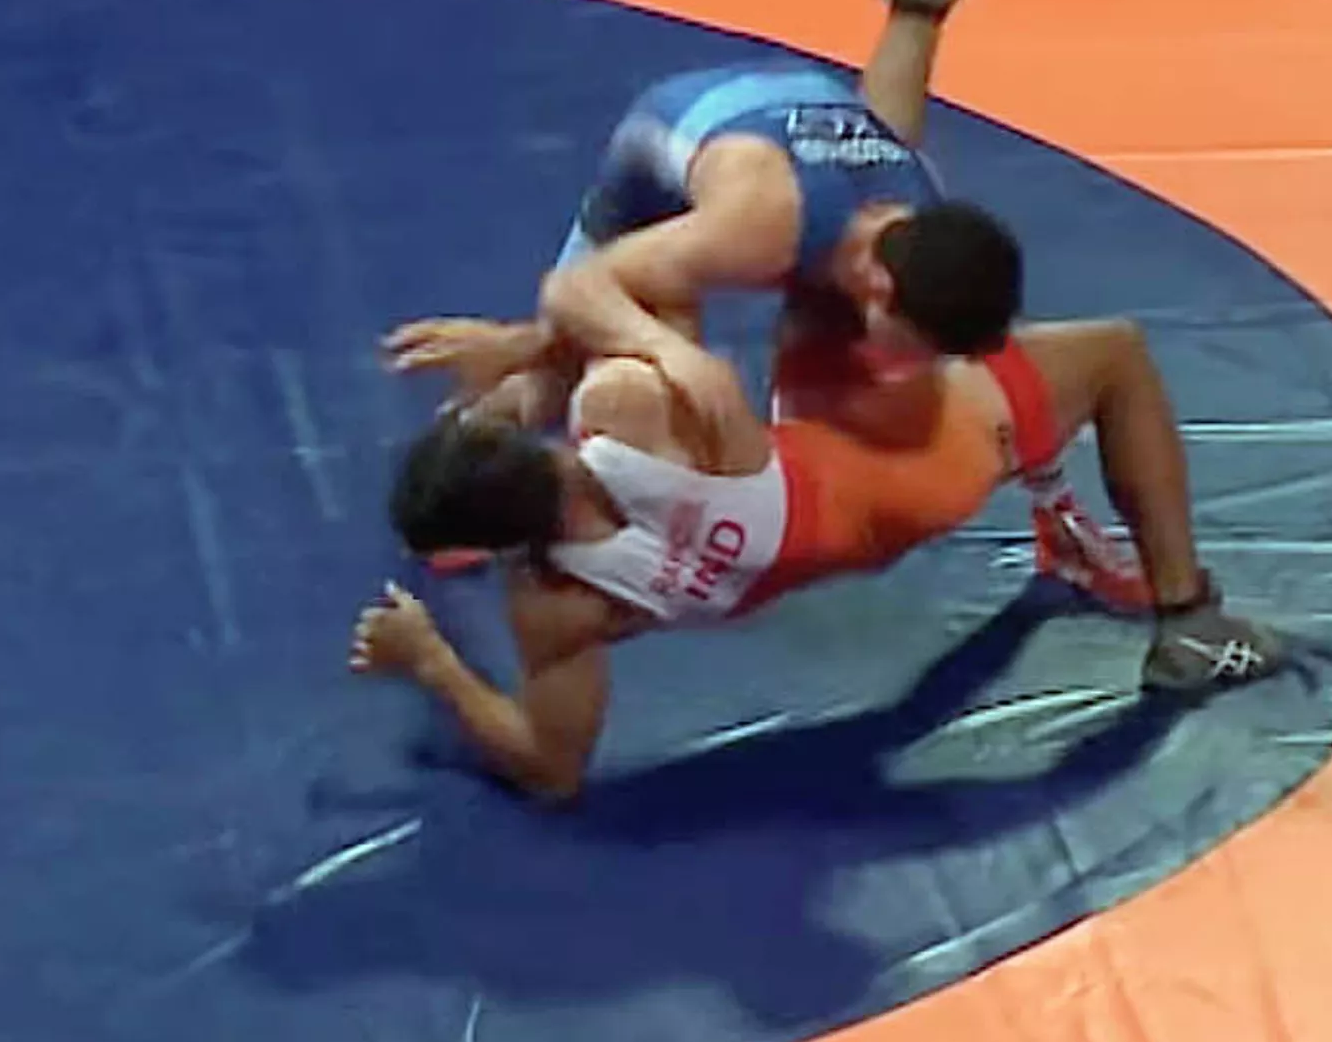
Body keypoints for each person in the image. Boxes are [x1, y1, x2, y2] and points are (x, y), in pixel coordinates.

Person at [350, 319, 1281, 802]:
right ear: (523, 443)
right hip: (896, 472)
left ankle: (1057, 519)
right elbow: (626, 294)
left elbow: (552, 772)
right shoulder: (624, 415)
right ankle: (1188, 618)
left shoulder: (554, 606)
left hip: (835, 547)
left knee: (847, 353)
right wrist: (521, 350)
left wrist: (432, 660)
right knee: (1110, 354)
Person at [384, 0, 1020, 444]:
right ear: (880, 289)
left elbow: (884, 142)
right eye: (919, 346)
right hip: (674, 143)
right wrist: (649, 352)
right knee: (602, 375)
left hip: (805, 120)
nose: (920, 363)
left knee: (871, 198)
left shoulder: (924, 212)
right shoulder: (758, 227)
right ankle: (482, 431)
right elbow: (575, 289)